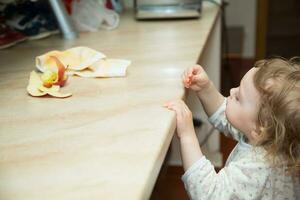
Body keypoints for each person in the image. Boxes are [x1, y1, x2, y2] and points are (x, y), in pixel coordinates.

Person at [164, 58, 300, 199]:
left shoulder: (257, 168)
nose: (232, 91)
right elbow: (228, 115)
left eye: (238, 98)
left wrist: (187, 136)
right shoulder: (267, 136)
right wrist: (206, 89)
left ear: (260, 130)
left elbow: (209, 194)